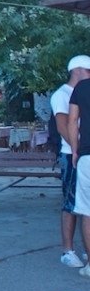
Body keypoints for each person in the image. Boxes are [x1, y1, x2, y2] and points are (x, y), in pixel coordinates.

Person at [53, 56, 90, 267]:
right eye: (88, 70)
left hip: (82, 152)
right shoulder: (62, 95)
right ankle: (67, 249)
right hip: (72, 153)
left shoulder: (81, 91)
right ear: (76, 70)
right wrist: (77, 148)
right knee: (70, 202)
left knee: (83, 204)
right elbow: (63, 125)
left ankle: (86, 248)